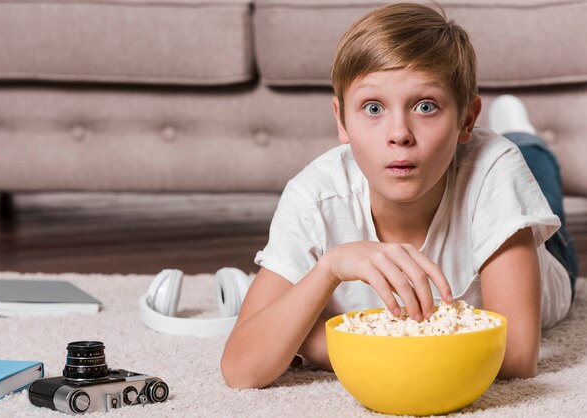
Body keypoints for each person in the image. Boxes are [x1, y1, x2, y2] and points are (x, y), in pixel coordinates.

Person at [220, 2, 578, 388]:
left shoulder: (494, 170)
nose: (399, 134)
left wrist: (302, 333)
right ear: (341, 120)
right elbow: (242, 369)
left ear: (466, 119)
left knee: (529, 160)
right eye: (373, 108)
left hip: (548, 253)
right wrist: (330, 267)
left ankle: (524, 135)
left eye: (426, 107)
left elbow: (515, 357)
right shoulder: (314, 197)